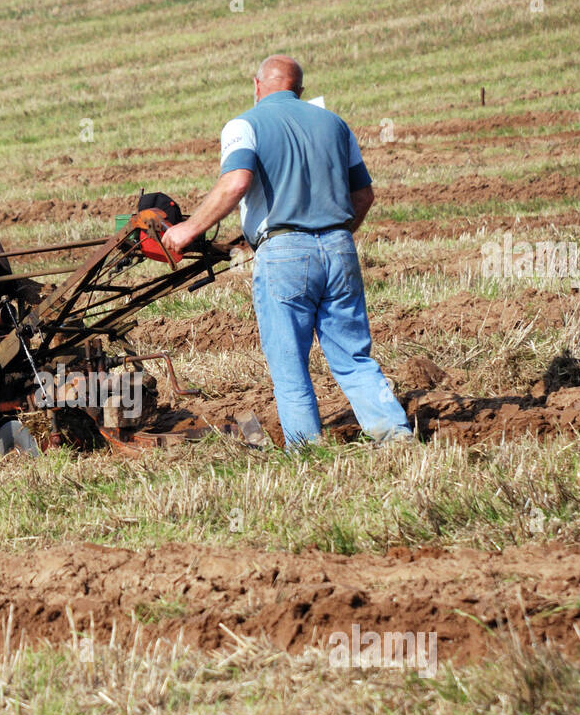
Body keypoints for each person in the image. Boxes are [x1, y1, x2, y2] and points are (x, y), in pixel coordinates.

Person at [161, 55, 413, 447]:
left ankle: (307, 452)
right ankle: (395, 436)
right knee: (354, 359)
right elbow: (363, 195)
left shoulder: (244, 124)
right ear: (300, 90)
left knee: (290, 367)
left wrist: (188, 230)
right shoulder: (335, 124)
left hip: (284, 252)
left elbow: (236, 182)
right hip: (339, 247)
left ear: (256, 85)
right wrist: (334, 237)